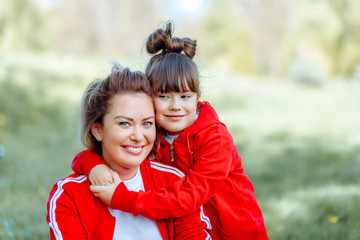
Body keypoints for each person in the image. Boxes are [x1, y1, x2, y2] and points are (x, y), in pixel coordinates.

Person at [72, 21, 268, 239]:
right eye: (164, 96)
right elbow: (102, 151)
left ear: (198, 97)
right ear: (150, 98)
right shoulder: (152, 132)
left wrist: (123, 198)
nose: (175, 106)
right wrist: (91, 165)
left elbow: (188, 197)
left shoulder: (215, 139)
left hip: (234, 233)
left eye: (185, 96)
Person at [46, 63, 211, 240]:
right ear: (98, 130)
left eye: (147, 123)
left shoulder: (174, 183)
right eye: (125, 123)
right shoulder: (69, 196)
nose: (139, 136)